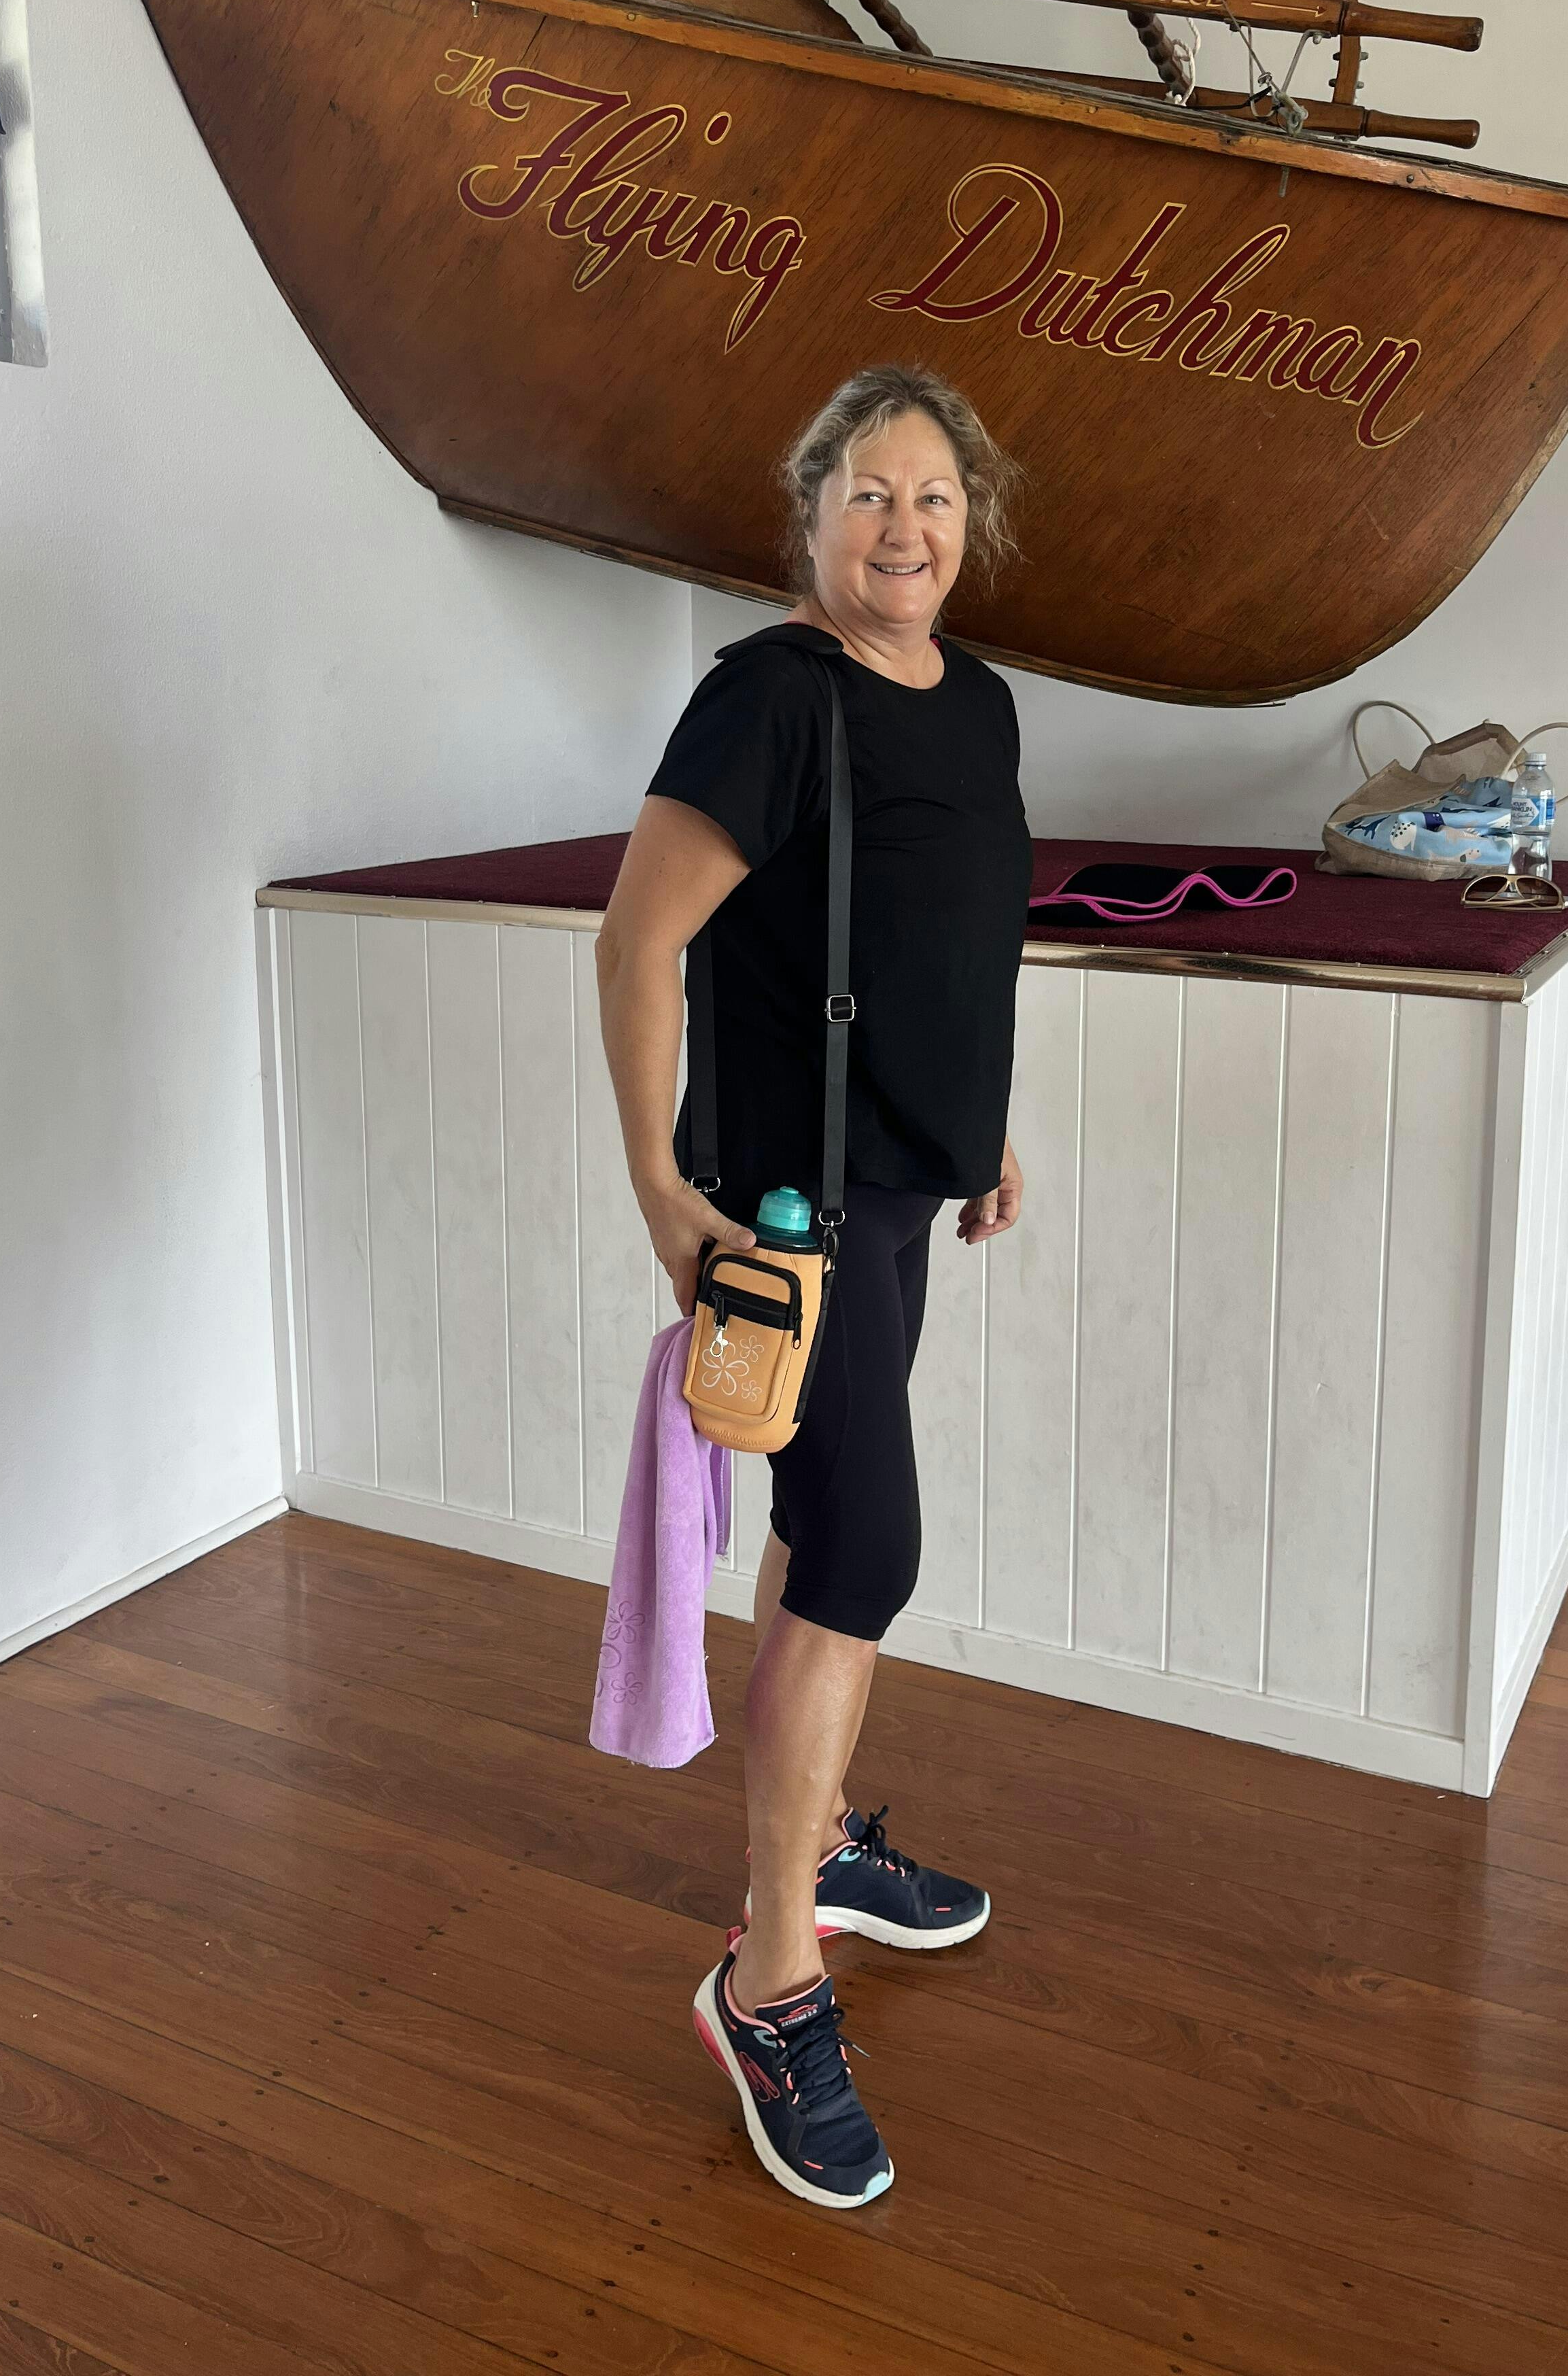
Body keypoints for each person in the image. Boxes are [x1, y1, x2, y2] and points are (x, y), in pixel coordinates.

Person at [594, 364, 1032, 2209]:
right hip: (785, 1221)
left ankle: (827, 1843)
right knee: (866, 1553)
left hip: (906, 1198)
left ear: (970, 519)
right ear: (813, 520)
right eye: (869, 494)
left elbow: (953, 935)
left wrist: (980, 1130)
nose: (904, 528)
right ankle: (769, 1979)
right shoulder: (770, 699)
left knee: (821, 1523)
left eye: (932, 496)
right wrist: (662, 1188)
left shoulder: (979, 700)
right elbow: (639, 943)